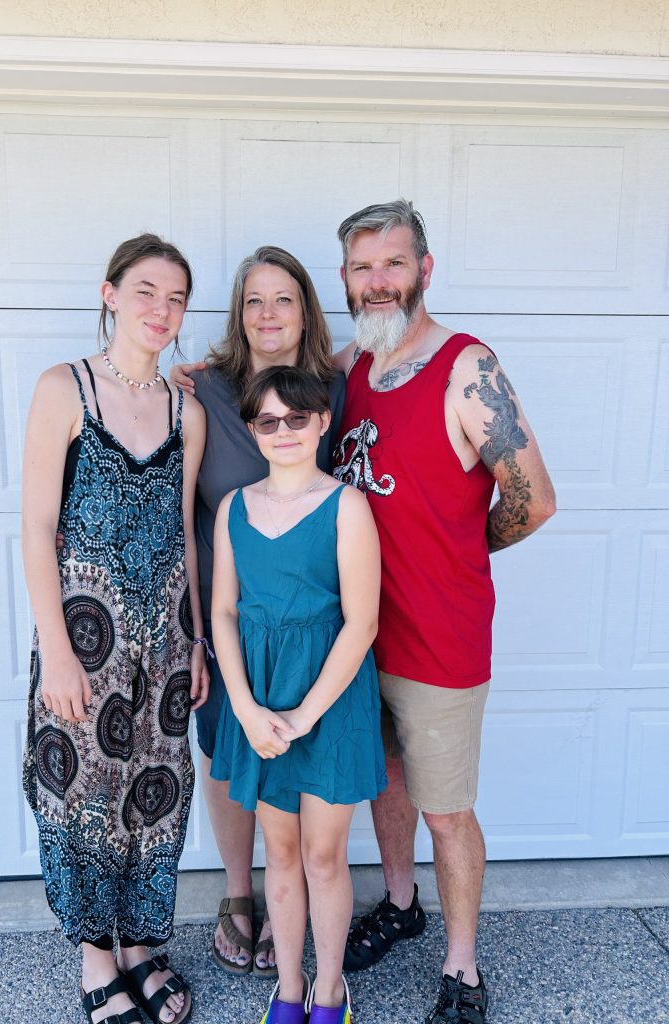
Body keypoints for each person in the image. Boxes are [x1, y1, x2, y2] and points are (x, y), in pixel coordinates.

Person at [331, 200, 556, 1024]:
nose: (378, 281)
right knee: (384, 783)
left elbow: (534, 501)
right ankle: (400, 904)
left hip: (440, 637)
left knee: (447, 810)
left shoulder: (467, 366)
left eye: (393, 263)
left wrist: (460, 546)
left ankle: (461, 968)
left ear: (425, 269)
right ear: (346, 280)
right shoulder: (354, 367)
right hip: (357, 638)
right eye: (362, 267)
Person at [22, 233, 208, 1024]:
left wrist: (196, 640)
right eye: (145, 291)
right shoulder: (65, 389)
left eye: (175, 298)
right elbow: (35, 527)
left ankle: (139, 945)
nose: (160, 310)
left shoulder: (187, 412)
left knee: (154, 797)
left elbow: (185, 531)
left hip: (165, 643)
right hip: (84, 643)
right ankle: (97, 961)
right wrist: (57, 653)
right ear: (109, 294)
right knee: (85, 796)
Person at [170, 246, 345, 976]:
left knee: (309, 753)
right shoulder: (203, 390)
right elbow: (182, 510)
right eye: (253, 301)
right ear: (237, 316)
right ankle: (241, 894)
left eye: (283, 299)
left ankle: (295, 900)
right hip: (232, 621)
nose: (268, 315)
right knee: (230, 750)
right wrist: (197, 634)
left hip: (322, 623)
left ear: (306, 309)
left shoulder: (340, 386)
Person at [210, 365, 386, 1024]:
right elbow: (223, 613)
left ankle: (330, 991)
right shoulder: (235, 507)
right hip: (257, 698)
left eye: (296, 418)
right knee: (278, 852)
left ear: (318, 423)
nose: (283, 431)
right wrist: (250, 710)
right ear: (254, 429)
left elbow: (362, 622)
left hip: (329, 702)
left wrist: (302, 716)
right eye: (268, 421)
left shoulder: (346, 506)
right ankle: (288, 989)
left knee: (322, 853)